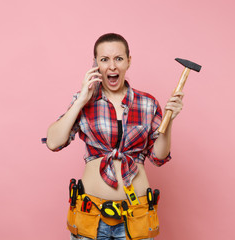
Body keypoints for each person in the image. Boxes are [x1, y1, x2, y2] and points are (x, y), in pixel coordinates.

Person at [44, 33, 184, 240]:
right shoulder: (85, 100)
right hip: (90, 214)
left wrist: (170, 120)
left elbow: (159, 157)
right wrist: (82, 99)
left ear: (129, 61)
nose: (112, 66)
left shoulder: (147, 103)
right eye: (104, 59)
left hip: (136, 216)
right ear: (95, 64)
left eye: (118, 58)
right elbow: (53, 142)